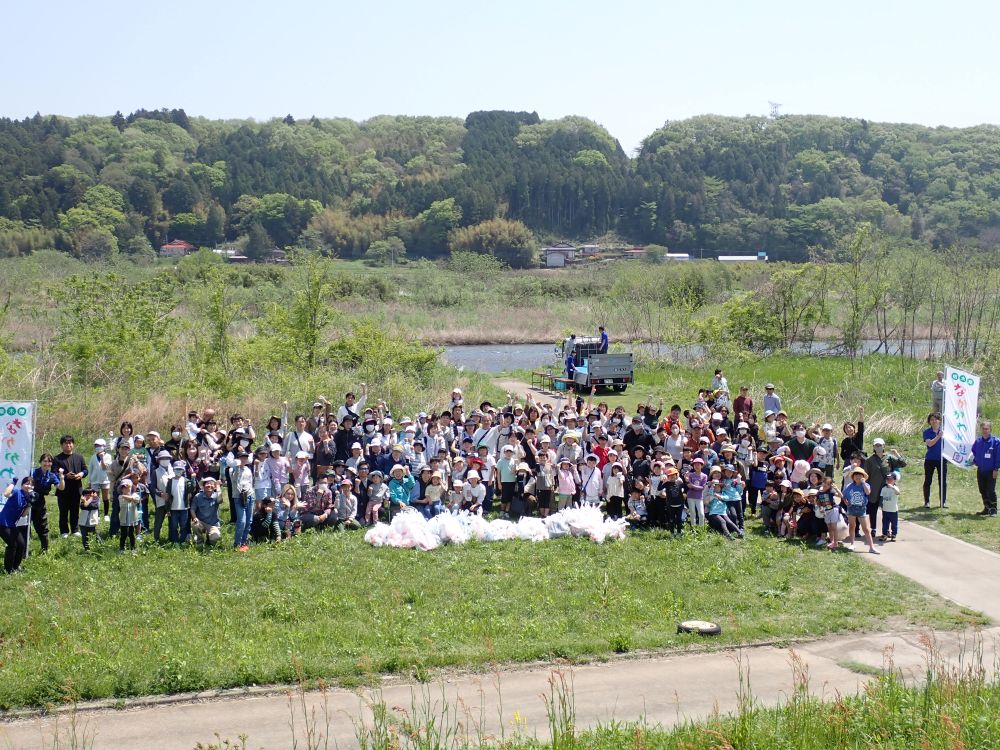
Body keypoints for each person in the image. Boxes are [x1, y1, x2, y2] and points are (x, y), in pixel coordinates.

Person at [864, 438, 907, 532]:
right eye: (876, 445)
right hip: (874, 488)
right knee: (873, 510)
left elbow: (903, 464)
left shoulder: (889, 458)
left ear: (884, 446)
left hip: (887, 487)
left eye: (880, 445)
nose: (878, 447)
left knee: (886, 509)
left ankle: (886, 529)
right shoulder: (869, 460)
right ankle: (873, 528)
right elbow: (866, 475)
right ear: (873, 447)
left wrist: (896, 454)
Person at [52, 435, 87, 538]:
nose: (68, 445)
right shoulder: (57, 458)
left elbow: (85, 470)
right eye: (66, 443)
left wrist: (80, 474)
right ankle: (64, 531)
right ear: (62, 445)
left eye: (70, 443)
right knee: (63, 511)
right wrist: (65, 476)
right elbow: (53, 472)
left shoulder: (79, 457)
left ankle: (75, 530)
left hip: (76, 488)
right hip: (63, 489)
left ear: (73, 444)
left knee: (75, 510)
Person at [29, 454, 63, 553]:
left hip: (40, 502)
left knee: (42, 526)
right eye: (44, 461)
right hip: (28, 501)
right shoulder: (33, 472)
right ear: (40, 462)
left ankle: (45, 549)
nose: (47, 464)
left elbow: (61, 487)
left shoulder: (52, 475)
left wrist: (61, 478)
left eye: (49, 462)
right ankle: (24, 549)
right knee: (25, 526)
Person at [1, 477, 33, 572]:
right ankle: (8, 569)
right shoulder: (16, 492)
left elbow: (23, 515)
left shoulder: (28, 497)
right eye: (27, 484)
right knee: (12, 545)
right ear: (22, 485)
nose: (29, 486)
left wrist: (29, 504)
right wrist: (13, 483)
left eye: (31, 484)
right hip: (2, 523)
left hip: (11, 525)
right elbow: (6, 494)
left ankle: (15, 566)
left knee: (21, 544)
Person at [843, 468, 878, 554]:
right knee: (852, 526)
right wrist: (845, 502)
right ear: (853, 477)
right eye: (856, 475)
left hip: (861, 509)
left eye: (860, 475)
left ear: (863, 477)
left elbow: (868, 492)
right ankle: (852, 544)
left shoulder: (865, 485)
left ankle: (871, 547)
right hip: (851, 508)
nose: (858, 476)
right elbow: (844, 495)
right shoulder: (849, 486)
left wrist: (863, 482)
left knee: (866, 528)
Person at [972, 422, 1000, 517]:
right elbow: (974, 452)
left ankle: (993, 510)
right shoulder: (978, 441)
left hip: (991, 471)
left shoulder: (996, 441)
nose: (985, 430)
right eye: (983, 428)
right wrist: (975, 461)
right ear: (981, 429)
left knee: (990, 490)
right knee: (982, 490)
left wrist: (996, 469)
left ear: (990, 430)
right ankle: (986, 508)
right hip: (981, 470)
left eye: (987, 429)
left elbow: (998, 457)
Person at [922, 413, 947, 508]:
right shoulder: (927, 432)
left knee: (942, 481)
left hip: (942, 460)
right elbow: (930, 444)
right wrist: (938, 436)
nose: (934, 421)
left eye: (936, 419)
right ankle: (926, 502)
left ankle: (943, 502)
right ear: (929, 422)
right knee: (928, 480)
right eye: (932, 419)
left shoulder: (945, 432)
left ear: (939, 421)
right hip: (930, 459)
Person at [191, 476, 222, 546]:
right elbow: (192, 509)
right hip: (201, 522)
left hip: (213, 524)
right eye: (207, 484)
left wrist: (218, 487)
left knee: (215, 537)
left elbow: (220, 501)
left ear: (214, 487)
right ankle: (200, 541)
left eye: (211, 484)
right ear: (203, 486)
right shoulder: (198, 496)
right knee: (195, 525)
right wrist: (194, 517)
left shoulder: (217, 496)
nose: (209, 485)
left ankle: (209, 540)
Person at [879, 471, 901, 542]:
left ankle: (893, 534)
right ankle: (884, 534)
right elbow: (881, 497)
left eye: (891, 479)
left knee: (894, 524)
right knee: (885, 523)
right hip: (885, 509)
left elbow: (898, 493)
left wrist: (892, 488)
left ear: (894, 480)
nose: (889, 481)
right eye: (887, 479)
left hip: (893, 510)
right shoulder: (884, 488)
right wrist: (881, 505)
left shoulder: (895, 488)